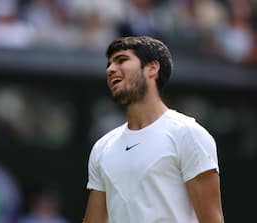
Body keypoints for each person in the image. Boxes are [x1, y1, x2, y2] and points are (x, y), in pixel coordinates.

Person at [83, 36, 223, 223]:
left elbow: (212, 219)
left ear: (152, 68)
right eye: (109, 64)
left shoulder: (188, 134)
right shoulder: (102, 147)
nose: (110, 69)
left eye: (122, 60)